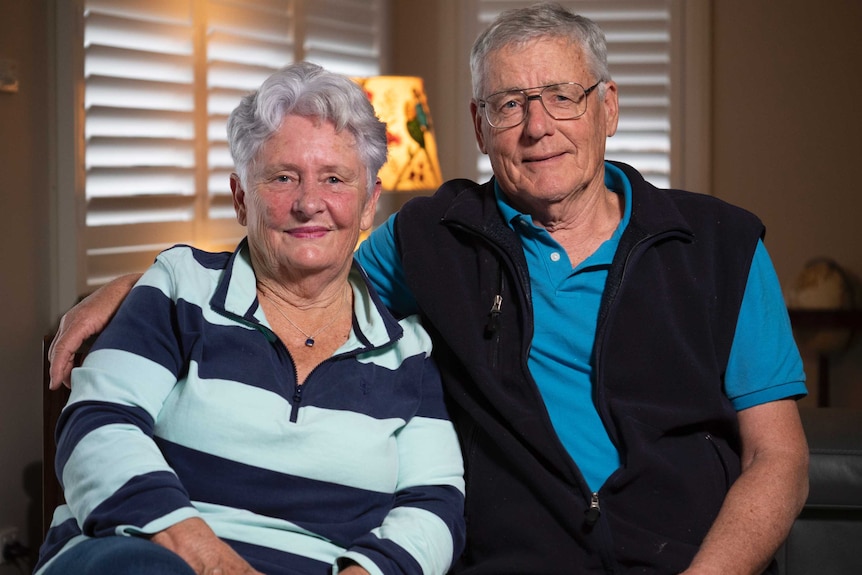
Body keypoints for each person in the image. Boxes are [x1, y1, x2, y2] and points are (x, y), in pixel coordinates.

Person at [47, 4, 809, 574]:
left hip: (684, 557)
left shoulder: (721, 246)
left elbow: (779, 458)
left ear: (606, 107)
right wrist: (140, 284)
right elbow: (302, 255)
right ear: (480, 127)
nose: (536, 125)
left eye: (561, 95)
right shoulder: (432, 236)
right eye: (508, 104)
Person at [35, 61, 466, 575]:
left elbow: (434, 505)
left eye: (334, 178)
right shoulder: (179, 287)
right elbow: (98, 425)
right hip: (146, 553)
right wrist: (212, 561)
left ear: (370, 204)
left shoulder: (409, 352)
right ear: (242, 197)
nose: (309, 203)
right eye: (283, 178)